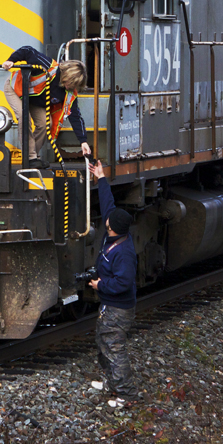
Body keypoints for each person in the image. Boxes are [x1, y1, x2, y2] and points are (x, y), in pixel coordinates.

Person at [88, 160, 140, 404]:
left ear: (112, 229)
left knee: (115, 349)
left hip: (118, 309)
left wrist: (101, 286)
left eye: (108, 222)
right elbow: (108, 203)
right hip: (109, 306)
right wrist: (101, 178)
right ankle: (111, 382)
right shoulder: (116, 232)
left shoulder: (124, 253)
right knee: (103, 343)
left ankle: (126, 395)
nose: (105, 220)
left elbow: (122, 283)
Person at [0, 46, 91, 168]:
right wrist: (11, 60)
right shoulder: (47, 66)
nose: (72, 87)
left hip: (33, 99)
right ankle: (31, 158)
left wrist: (83, 141)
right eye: (73, 83)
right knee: (23, 116)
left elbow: (75, 116)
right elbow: (28, 50)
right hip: (15, 89)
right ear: (67, 76)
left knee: (45, 124)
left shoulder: (69, 93)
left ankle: (31, 158)